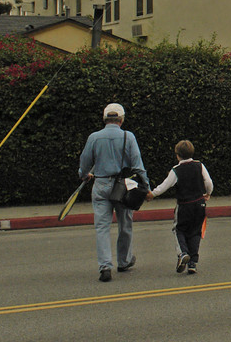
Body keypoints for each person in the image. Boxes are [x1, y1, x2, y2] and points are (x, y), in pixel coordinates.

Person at [78, 103, 148, 282]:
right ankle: (124, 261)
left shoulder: (94, 137)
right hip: (122, 186)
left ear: (104, 119)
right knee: (125, 225)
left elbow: (85, 161)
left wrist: (85, 175)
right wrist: (145, 187)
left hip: (101, 184)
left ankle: (105, 266)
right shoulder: (128, 137)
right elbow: (137, 165)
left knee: (102, 227)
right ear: (121, 120)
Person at [146, 139, 213, 274]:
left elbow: (164, 186)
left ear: (177, 155)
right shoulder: (199, 165)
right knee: (196, 232)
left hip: (184, 205)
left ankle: (183, 253)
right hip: (200, 204)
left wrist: (152, 194)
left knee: (179, 230)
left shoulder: (176, 170)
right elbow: (209, 182)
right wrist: (208, 193)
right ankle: (193, 263)